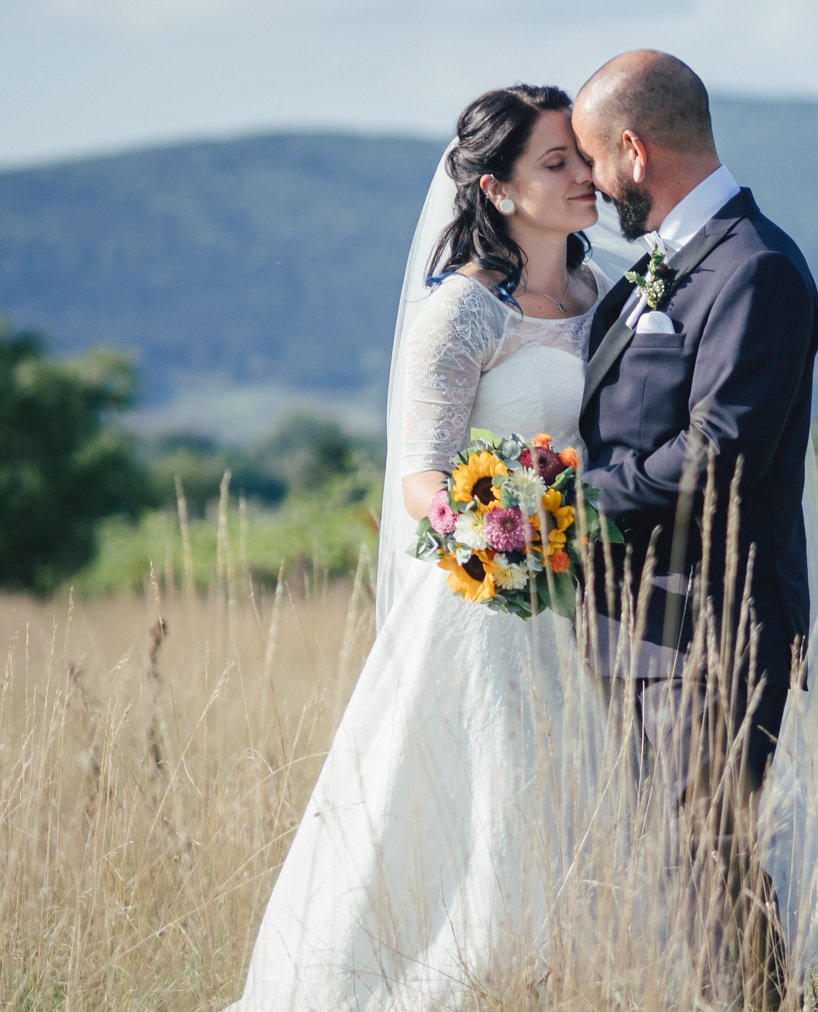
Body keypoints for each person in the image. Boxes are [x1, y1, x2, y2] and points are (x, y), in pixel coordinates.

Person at [229, 84, 627, 1009]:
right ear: (497, 189)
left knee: (578, 815)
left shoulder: (596, 290)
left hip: (583, 608)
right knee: (484, 814)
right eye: (556, 163)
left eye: (583, 157)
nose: (584, 177)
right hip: (490, 602)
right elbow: (419, 478)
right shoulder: (463, 314)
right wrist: (509, 530)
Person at [571, 50, 818, 1009]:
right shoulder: (657, 267)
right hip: (641, 630)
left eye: (595, 162)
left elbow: (722, 451)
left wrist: (579, 504)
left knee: (712, 864)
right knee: (687, 870)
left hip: (715, 632)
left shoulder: (755, 267)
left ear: (634, 152)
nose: (593, 187)